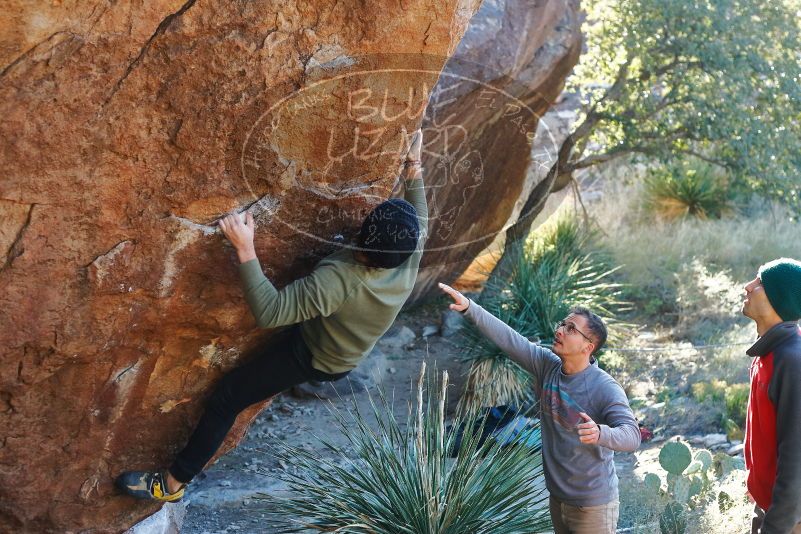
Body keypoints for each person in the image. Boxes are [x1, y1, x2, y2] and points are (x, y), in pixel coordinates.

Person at [116, 129, 428, 502]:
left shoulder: (339, 281)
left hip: (317, 356)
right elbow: (418, 210)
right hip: (342, 334)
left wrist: (246, 249)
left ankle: (171, 485)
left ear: (363, 240)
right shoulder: (408, 250)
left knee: (228, 397)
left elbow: (271, 312)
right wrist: (412, 163)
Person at [439, 282, 640, 534]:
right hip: (557, 498)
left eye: (571, 329)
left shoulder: (604, 388)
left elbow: (632, 435)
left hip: (593, 506)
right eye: (562, 324)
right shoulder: (547, 365)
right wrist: (470, 308)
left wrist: (601, 433)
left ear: (588, 346)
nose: (560, 330)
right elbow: (510, 340)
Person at [741, 258, 801, 533]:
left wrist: (775, 526)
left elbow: (796, 458)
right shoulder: (768, 354)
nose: (748, 287)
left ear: (780, 300)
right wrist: (755, 481)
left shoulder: (791, 360)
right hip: (771, 509)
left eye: (760, 283)